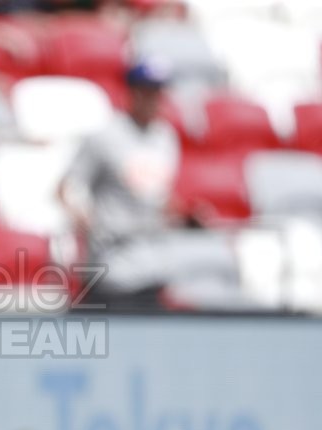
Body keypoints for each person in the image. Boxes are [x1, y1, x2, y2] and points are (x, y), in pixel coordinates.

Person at [58, 57, 236, 300]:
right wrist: (83, 218)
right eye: (147, 92)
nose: (154, 100)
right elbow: (67, 187)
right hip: (112, 266)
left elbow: (157, 196)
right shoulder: (105, 136)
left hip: (154, 266)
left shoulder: (164, 137)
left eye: (158, 92)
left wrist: (186, 216)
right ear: (132, 92)